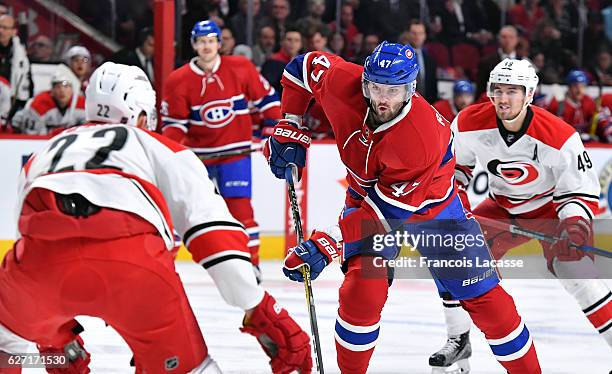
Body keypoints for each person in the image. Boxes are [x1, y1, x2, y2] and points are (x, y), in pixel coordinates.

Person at [0, 62, 312, 373]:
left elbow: (27, 236)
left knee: (6, 346)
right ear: (139, 113)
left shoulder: (46, 150)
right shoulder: (158, 145)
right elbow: (214, 236)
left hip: (36, 272)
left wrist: (51, 336)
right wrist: (259, 307)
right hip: (134, 270)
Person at [264, 41, 541, 373]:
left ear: (411, 88)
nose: (382, 98)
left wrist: (328, 243)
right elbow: (301, 67)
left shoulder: (421, 139)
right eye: (376, 87)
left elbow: (384, 218)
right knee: (362, 293)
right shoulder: (341, 81)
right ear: (365, 79)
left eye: (393, 90)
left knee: (489, 303)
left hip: (434, 211)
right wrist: (291, 122)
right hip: (368, 201)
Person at [435, 58, 612, 370]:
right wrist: (457, 203)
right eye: (498, 90)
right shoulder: (468, 123)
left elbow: (580, 191)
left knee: (576, 275)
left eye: (513, 91)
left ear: (529, 94)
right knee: (456, 256)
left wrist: (574, 230)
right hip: (503, 207)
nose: (504, 99)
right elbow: (454, 171)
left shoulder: (558, 136)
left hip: (551, 209)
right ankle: (458, 339)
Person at [161, 20, 281, 281]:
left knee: (240, 211)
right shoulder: (178, 80)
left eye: (211, 40)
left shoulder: (240, 68)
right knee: (182, 210)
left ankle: (252, 265)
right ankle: (161, 266)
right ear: (194, 44)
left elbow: (269, 102)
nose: (206, 46)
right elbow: (175, 127)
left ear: (219, 43)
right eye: (201, 41)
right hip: (197, 160)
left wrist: (270, 130)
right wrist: (170, 152)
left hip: (234, 157)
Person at [11, 66, 85, 135]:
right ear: (51, 90)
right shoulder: (39, 105)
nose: (62, 91)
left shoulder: (81, 104)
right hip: (19, 130)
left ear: (72, 90)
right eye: (58, 86)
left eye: (66, 86)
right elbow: (33, 137)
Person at [547, 69, 608, 142]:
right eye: (576, 86)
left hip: (585, 143)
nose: (579, 90)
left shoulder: (588, 101)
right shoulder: (558, 103)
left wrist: (598, 115)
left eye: (582, 86)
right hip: (564, 142)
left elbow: (595, 123)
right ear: (569, 87)